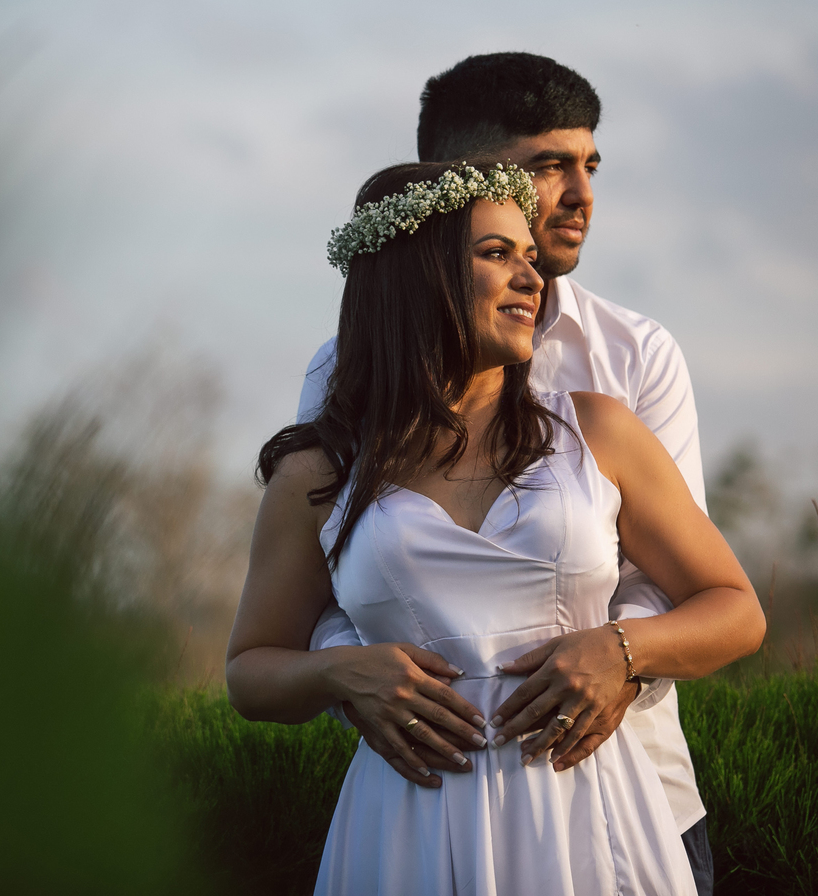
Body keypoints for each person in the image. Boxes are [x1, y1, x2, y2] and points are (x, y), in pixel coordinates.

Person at [225, 161, 763, 894]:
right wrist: (343, 672)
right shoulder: (321, 472)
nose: (532, 279)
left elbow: (736, 610)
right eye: (497, 254)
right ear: (418, 273)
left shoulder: (597, 430)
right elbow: (250, 669)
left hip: (592, 814)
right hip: (410, 825)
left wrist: (621, 650)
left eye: (531, 259)